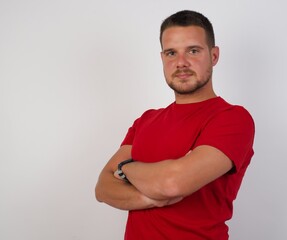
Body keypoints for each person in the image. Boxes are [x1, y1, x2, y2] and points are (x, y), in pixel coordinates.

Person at [95, 10, 255, 240]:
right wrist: (150, 197)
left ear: (214, 55)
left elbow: (172, 184)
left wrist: (126, 168)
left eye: (193, 51)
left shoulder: (232, 118)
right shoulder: (146, 120)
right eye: (171, 53)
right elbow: (103, 188)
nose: (181, 62)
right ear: (162, 59)